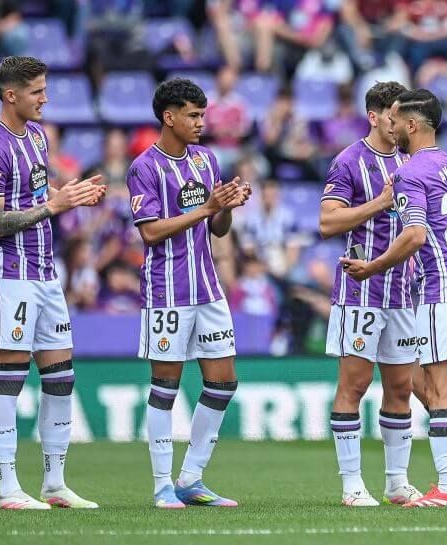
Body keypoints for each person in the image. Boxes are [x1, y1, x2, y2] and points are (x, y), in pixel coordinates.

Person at [341, 89, 447, 508]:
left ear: (411, 125)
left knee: (437, 388)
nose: (389, 128)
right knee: (428, 384)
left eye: (395, 121)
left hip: (441, 286)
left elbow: (414, 235)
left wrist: (371, 267)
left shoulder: (410, 173)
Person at [0, 56, 106, 510]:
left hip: (46, 274)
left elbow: (37, 194)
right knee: (10, 377)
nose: (45, 98)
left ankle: (54, 484)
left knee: (61, 378)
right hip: (9, 275)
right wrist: (56, 206)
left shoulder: (37, 136)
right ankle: (8, 488)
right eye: (37, 91)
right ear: (12, 95)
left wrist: (72, 196)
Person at [126, 78, 251, 509]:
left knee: (222, 383)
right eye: (193, 115)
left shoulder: (206, 160)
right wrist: (206, 208)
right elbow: (150, 232)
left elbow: (215, 228)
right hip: (166, 292)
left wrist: (227, 207)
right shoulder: (144, 167)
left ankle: (191, 478)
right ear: (170, 116)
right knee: (166, 385)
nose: (201, 122)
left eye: (202, 114)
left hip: (208, 288)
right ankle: (162, 486)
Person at [319, 81, 423, 507]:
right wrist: (379, 203)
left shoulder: (412, 161)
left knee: (400, 387)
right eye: (394, 114)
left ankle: (397, 483)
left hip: (403, 292)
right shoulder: (348, 161)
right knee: (355, 384)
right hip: (360, 290)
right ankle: (350, 485)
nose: (400, 123)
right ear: (375, 116)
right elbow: (328, 223)